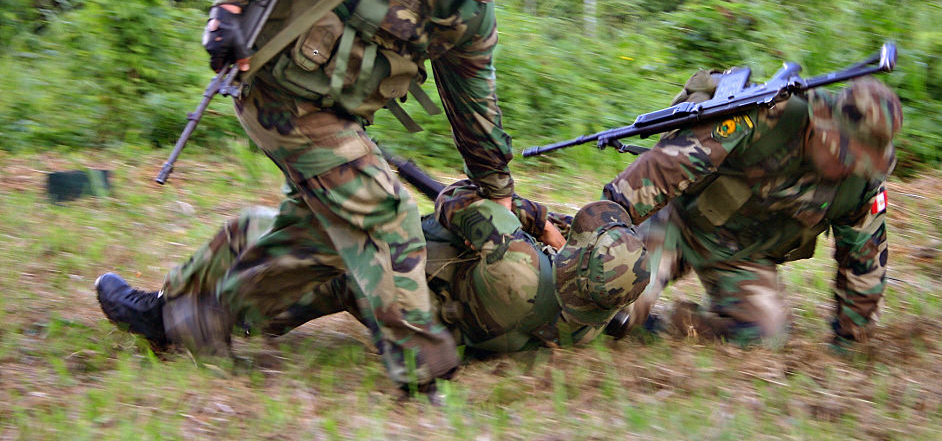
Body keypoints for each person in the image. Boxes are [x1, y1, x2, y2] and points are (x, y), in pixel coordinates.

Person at [96, 0, 546, 392]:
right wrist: (228, 8)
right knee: (386, 211)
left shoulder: (470, 17)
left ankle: (175, 314)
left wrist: (498, 193)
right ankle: (424, 374)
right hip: (276, 92)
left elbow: (475, 109)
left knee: (317, 237)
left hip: (337, 116)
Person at [94, 182, 650, 364]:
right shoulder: (592, 319)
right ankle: (224, 318)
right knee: (321, 286)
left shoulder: (521, 263)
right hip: (449, 327)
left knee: (255, 231)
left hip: (399, 279)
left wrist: (530, 219)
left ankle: (168, 316)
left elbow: (454, 201)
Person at [602, 72, 902, 349]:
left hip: (739, 255)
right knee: (612, 304)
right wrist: (607, 224)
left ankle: (667, 327)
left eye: (858, 161)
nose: (848, 166)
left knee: (764, 334)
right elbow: (665, 168)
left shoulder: (860, 187)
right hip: (676, 223)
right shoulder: (767, 114)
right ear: (823, 126)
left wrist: (851, 338)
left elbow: (865, 259)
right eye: (843, 152)